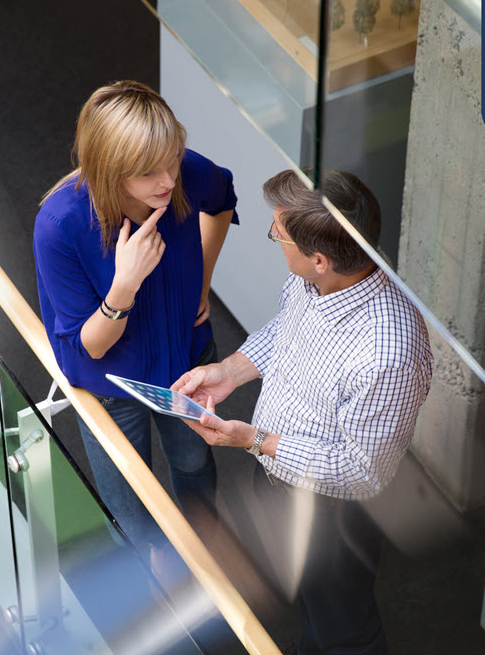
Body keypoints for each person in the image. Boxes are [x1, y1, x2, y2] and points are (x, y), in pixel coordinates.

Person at [172, 169, 433, 655]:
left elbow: (362, 473)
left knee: (343, 631)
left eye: (279, 235)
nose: (274, 238)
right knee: (310, 606)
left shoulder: (389, 352)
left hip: (333, 513)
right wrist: (228, 371)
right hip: (278, 476)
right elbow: (286, 335)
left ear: (319, 259)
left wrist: (252, 440)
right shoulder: (314, 283)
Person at [33, 80, 238, 551]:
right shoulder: (61, 225)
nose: (168, 180)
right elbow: (92, 346)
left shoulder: (182, 173)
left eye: (172, 159)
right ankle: (153, 585)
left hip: (185, 357)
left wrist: (201, 281)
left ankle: (205, 557)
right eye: (149, 173)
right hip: (112, 384)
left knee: (193, 465)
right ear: (111, 171)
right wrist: (125, 284)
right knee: (130, 509)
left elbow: (222, 198)